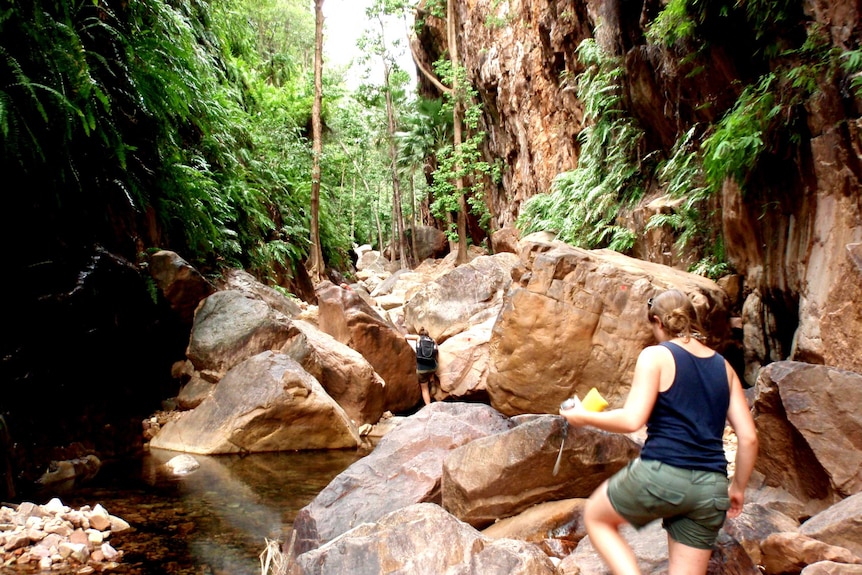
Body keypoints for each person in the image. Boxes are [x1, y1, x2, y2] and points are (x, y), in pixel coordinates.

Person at [560, 289, 758, 575]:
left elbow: (632, 420)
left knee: (597, 517)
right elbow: (749, 437)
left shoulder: (656, 356)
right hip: (710, 488)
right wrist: (737, 488)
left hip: (662, 474)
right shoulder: (723, 367)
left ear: (658, 322)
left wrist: (584, 416)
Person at [405, 327, 438, 406]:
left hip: (422, 369)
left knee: (424, 389)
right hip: (433, 367)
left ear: (420, 334)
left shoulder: (418, 338)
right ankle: (432, 381)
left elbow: (406, 336)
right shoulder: (433, 340)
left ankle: (428, 406)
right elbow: (436, 353)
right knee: (431, 370)